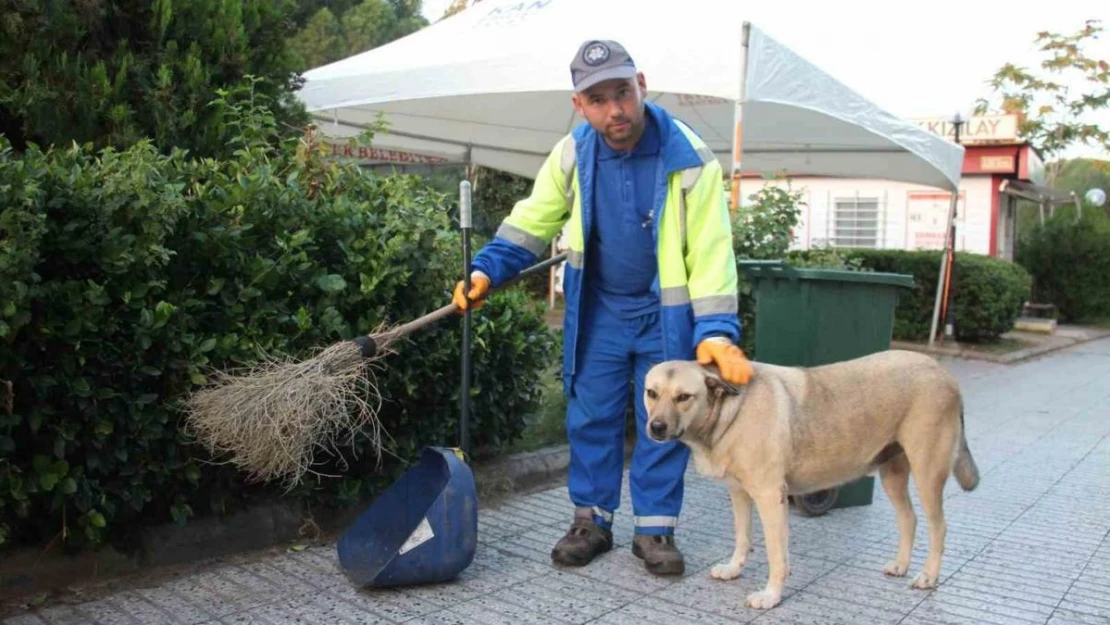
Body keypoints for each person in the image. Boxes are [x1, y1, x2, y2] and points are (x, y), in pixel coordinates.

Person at [451, 39, 752, 576]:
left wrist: (716, 331)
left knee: (663, 419)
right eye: (598, 99)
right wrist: (486, 269)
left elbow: (710, 251)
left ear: (641, 85)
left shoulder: (689, 157)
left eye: (622, 92)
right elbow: (533, 220)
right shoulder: (572, 153)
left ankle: (655, 530)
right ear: (580, 106)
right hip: (601, 312)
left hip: (665, 315)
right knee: (591, 414)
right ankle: (591, 522)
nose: (614, 109)